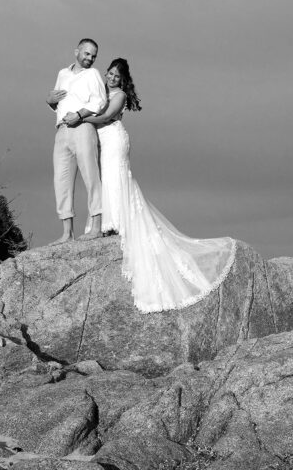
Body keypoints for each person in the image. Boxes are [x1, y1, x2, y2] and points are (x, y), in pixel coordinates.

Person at [81, 58, 236, 313]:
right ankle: (108, 220)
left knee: (115, 178)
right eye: (109, 73)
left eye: (116, 76)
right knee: (106, 179)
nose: (111, 78)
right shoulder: (101, 90)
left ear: (122, 81)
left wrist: (83, 118)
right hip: (104, 140)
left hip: (114, 140)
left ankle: (116, 221)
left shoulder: (118, 96)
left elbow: (107, 115)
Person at [46, 38, 107, 244]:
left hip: (82, 127)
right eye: (87, 54)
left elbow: (100, 101)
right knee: (61, 180)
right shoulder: (62, 73)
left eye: (93, 56)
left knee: (91, 176)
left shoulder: (93, 74)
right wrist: (50, 101)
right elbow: (57, 100)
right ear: (77, 52)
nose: (90, 58)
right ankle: (67, 232)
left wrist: (79, 115)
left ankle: (96, 227)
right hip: (62, 129)